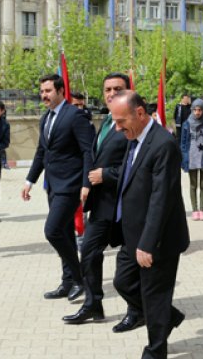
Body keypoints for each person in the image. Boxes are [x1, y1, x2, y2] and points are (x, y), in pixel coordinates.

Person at [109, 90, 189, 358]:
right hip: (133, 233)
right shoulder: (134, 138)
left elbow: (161, 198)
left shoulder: (163, 144)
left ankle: (155, 351)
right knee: (123, 282)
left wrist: (147, 243)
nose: (117, 128)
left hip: (158, 238)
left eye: (121, 122)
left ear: (140, 113)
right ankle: (168, 316)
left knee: (155, 296)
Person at [63, 72, 142, 329]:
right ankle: (93, 304)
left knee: (129, 264)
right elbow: (96, 156)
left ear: (128, 91)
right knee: (88, 253)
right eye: (107, 89)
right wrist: (88, 184)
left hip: (125, 205)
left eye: (117, 89)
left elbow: (138, 166)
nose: (111, 94)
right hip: (102, 204)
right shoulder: (107, 121)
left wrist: (106, 175)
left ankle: (137, 310)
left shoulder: (134, 124)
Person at [21, 74, 94, 301]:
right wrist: (29, 181)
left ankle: (80, 278)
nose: (44, 95)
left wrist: (86, 183)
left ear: (61, 91)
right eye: (42, 91)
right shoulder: (46, 118)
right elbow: (42, 152)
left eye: (48, 91)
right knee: (64, 233)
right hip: (53, 185)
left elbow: (88, 151)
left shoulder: (75, 115)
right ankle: (67, 281)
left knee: (52, 231)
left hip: (71, 185)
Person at [180, 98, 203, 221]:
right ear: (192, 110)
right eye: (195, 110)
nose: (197, 112)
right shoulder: (186, 124)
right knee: (193, 185)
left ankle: (202, 210)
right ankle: (195, 210)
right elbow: (183, 143)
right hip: (191, 156)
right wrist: (183, 158)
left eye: (200, 110)